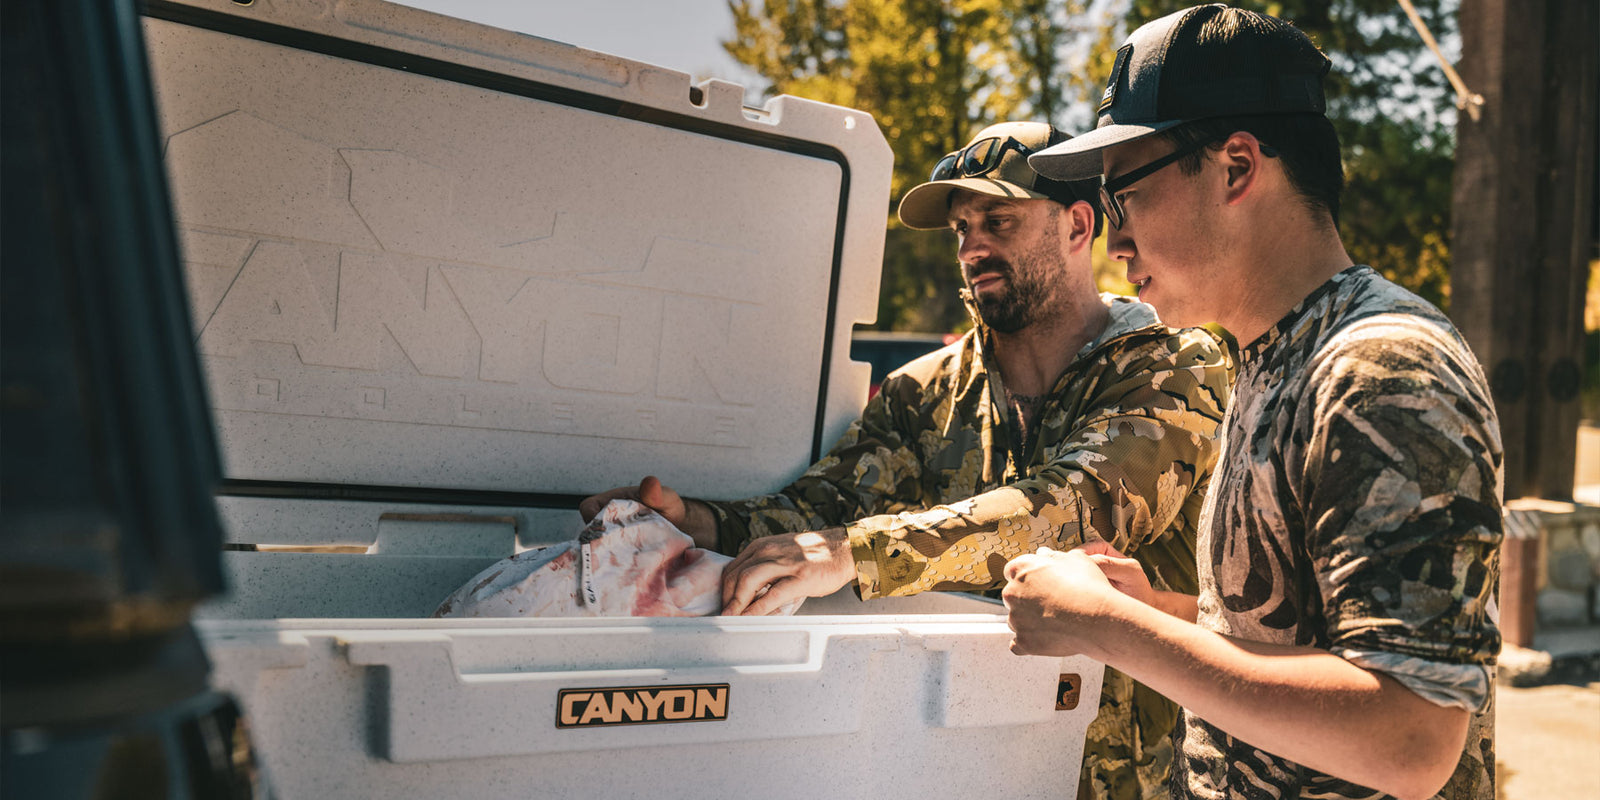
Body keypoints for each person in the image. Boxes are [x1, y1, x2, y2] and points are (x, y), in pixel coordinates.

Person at [581, 120, 1233, 799]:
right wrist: (694, 521)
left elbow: (1075, 508)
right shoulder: (924, 392)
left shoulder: (1175, 367)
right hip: (961, 766)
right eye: (961, 230)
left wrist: (852, 553)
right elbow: (815, 513)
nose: (973, 246)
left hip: (1141, 781)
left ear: (1076, 226)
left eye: (999, 220)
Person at [1010, 6, 1502, 800]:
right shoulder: (1274, 355)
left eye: (1123, 195)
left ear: (1237, 167)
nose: (1113, 239)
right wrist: (1159, 610)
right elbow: (1299, 643)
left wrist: (1108, 628)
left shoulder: (1380, 368)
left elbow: (1411, 735)